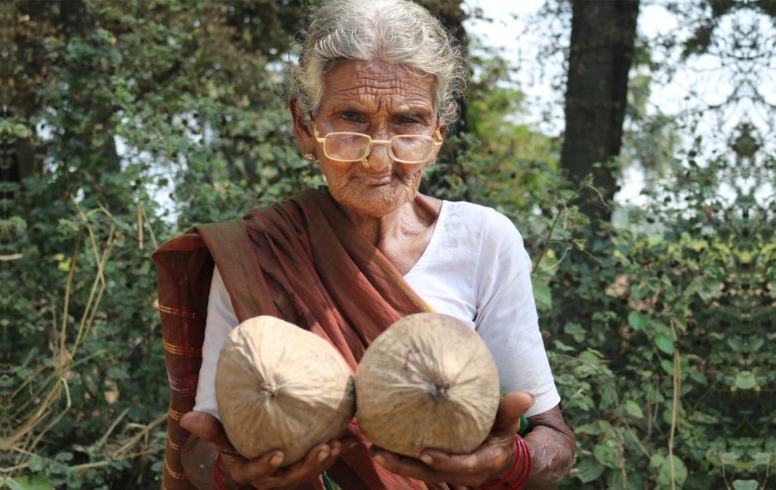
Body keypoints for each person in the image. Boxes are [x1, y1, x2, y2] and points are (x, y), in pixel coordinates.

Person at [152, 0, 576, 488]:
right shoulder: (257, 253)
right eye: (349, 118)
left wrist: (505, 462)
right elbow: (202, 448)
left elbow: (554, 443)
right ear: (304, 126)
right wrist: (236, 472)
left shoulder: (483, 241)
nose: (378, 162)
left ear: (438, 130)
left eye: (408, 122)